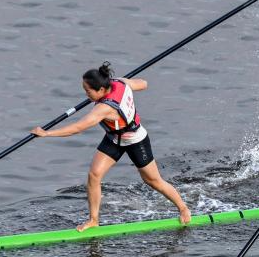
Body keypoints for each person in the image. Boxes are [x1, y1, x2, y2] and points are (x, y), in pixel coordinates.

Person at [31, 62, 192, 232]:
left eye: (88, 91)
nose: (86, 94)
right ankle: (93, 220)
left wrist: (47, 133)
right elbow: (143, 84)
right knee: (94, 175)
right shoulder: (119, 83)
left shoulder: (104, 108)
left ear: (101, 89)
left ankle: (183, 208)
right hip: (114, 139)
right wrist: (125, 82)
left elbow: (77, 128)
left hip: (136, 140)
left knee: (153, 181)